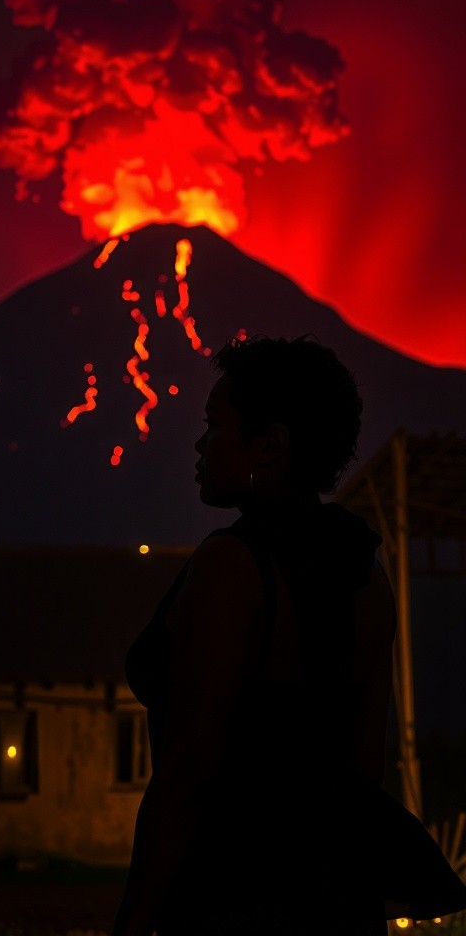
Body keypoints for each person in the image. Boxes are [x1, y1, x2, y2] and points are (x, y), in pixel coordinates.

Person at [112, 334, 466, 936]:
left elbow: (188, 773)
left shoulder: (231, 566)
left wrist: (134, 925)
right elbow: (363, 771)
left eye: (214, 424)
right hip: (334, 901)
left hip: (233, 898)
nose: (199, 443)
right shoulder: (367, 574)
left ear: (270, 444)